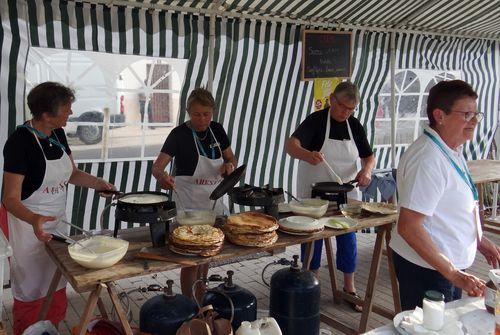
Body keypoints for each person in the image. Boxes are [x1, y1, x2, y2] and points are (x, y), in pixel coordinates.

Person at [1, 82, 116, 334]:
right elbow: (9, 199)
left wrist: (98, 184)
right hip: (26, 223)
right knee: (32, 285)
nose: (71, 113)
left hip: (56, 220)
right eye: (67, 109)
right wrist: (34, 219)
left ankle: (50, 327)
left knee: (55, 278)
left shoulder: (57, 134)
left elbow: (71, 173)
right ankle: (29, 330)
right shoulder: (20, 143)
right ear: (46, 114)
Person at [390, 80, 500, 311]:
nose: (474, 122)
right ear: (440, 115)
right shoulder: (428, 159)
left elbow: (448, 207)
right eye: (467, 114)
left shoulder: (449, 148)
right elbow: (409, 227)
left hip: (442, 266)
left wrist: (477, 239)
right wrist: (454, 274)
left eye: (476, 114)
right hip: (428, 269)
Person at [285, 81, 375, 312]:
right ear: (332, 99)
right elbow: (290, 146)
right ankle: (310, 285)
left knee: (347, 237)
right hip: (314, 194)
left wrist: (366, 171)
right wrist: (306, 154)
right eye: (343, 107)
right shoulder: (316, 121)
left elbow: (368, 156)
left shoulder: (354, 125)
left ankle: (349, 288)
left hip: (345, 192)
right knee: (312, 237)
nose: (346, 113)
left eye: (351, 109)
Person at [152, 88, 237, 299]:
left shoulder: (217, 130)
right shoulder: (178, 134)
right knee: (190, 258)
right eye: (197, 114)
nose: (202, 119)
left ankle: (201, 295)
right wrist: (163, 177)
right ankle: (190, 302)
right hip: (188, 204)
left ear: (213, 112)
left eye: (207, 114)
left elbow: (231, 159)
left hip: (213, 202)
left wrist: (230, 167)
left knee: (207, 253)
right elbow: (157, 167)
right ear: (188, 111)